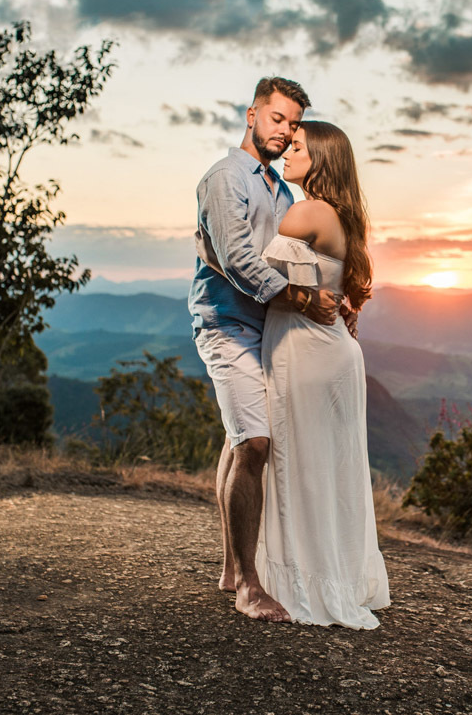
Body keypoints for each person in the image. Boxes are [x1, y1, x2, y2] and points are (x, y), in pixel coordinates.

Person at [189, 76, 345, 622]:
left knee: (239, 440)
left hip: (273, 331)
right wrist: (303, 298)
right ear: (252, 114)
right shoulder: (226, 178)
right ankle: (249, 586)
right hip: (228, 326)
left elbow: (293, 257)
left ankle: (231, 567)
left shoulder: (280, 191)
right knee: (254, 443)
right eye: (277, 118)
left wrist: (339, 293)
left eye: (293, 124)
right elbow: (237, 259)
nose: (285, 131)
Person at [256, 121, 391, 628]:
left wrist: (210, 242)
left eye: (297, 148)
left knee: (300, 468)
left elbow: (256, 277)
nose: (287, 154)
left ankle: (305, 584)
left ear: (321, 160)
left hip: (306, 353)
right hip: (333, 354)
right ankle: (339, 577)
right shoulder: (342, 217)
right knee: (330, 472)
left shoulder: (307, 211)